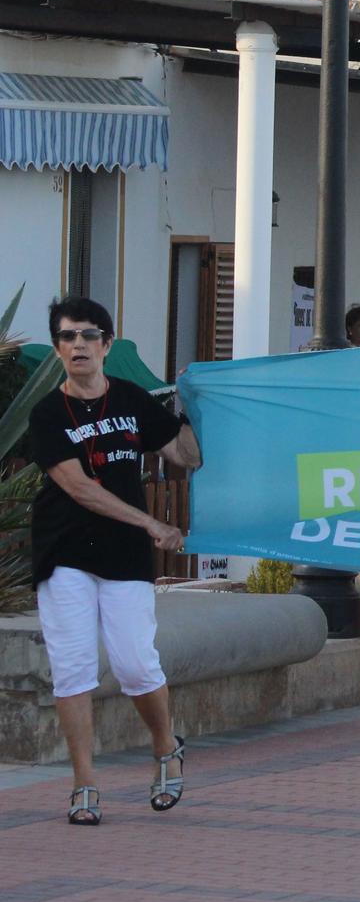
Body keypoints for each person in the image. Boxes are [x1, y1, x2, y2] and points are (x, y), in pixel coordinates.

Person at [29, 296, 202, 825]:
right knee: (73, 668)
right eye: (66, 337)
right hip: (64, 551)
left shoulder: (131, 399)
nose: (77, 345)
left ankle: (165, 746)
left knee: (133, 662)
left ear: (106, 343)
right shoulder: (46, 413)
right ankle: (84, 782)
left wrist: (195, 405)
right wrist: (152, 523)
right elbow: (79, 488)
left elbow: (186, 456)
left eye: (87, 335)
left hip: (123, 556)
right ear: (58, 348)